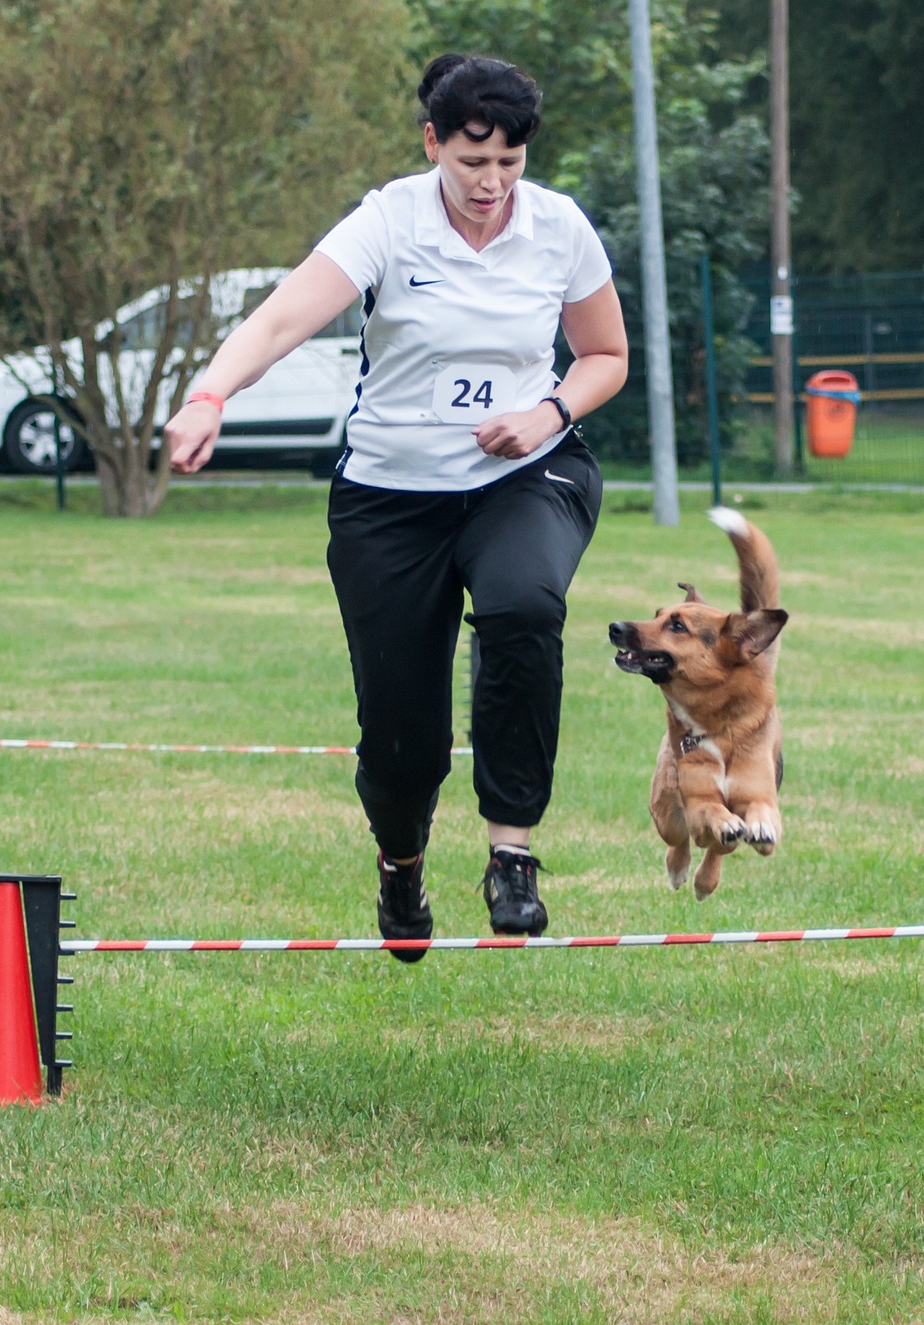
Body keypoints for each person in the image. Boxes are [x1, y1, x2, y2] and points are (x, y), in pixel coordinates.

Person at [163, 54, 628, 956]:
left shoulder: (560, 229)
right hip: (389, 498)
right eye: (470, 161)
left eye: (510, 162)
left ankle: (512, 851)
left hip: (524, 477)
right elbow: (279, 320)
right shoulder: (389, 220)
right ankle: (401, 864)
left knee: (523, 603)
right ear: (433, 142)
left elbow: (605, 355)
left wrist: (547, 413)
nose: (492, 183)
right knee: (402, 731)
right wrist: (208, 396)